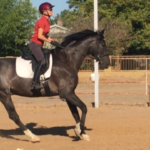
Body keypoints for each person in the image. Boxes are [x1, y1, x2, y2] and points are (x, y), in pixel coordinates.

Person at [29, 2, 54, 90]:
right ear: (44, 11)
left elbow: (44, 34)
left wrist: (52, 40)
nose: (52, 11)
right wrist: (48, 40)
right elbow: (39, 36)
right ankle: (34, 83)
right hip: (35, 44)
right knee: (42, 61)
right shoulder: (42, 21)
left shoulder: (47, 21)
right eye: (50, 9)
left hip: (39, 44)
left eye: (51, 9)